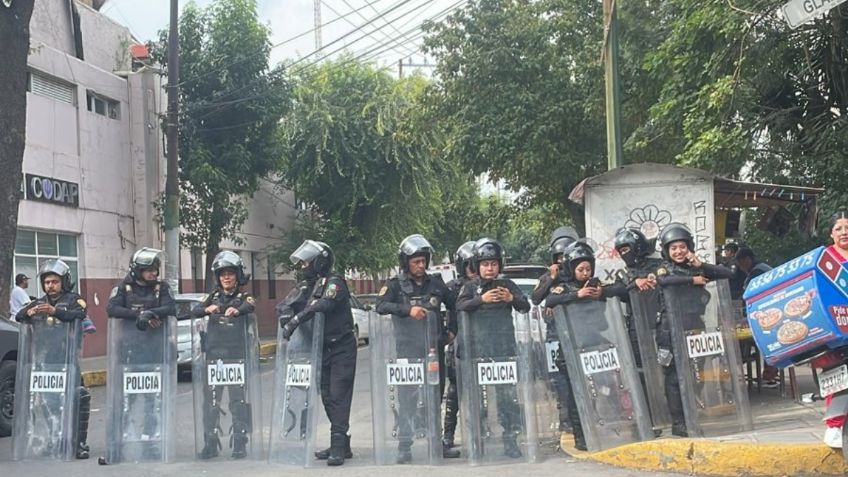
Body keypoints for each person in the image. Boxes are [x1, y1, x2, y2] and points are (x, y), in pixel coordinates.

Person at [375, 234, 461, 462]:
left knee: (434, 397)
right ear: (406, 262)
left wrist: (452, 331)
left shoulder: (436, 283)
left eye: (423, 261)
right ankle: (405, 447)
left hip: (433, 349)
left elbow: (456, 305)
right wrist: (406, 310)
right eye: (416, 262)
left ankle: (437, 445)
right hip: (407, 352)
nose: (421, 266)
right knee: (407, 400)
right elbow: (380, 306)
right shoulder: (395, 285)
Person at [277, 240, 357, 466]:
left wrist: (297, 318)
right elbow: (286, 303)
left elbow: (324, 305)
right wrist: (285, 314)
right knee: (327, 396)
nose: (304, 266)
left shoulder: (335, 281)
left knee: (339, 395)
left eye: (307, 262)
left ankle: (338, 446)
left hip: (341, 347)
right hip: (321, 348)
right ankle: (343, 442)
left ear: (320, 261)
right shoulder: (307, 285)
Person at [655, 223, 733, 437]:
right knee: (673, 376)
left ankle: (692, 414)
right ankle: (679, 423)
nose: (678, 251)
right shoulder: (663, 268)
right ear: (666, 250)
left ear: (689, 247)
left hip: (694, 326)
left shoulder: (696, 267)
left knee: (696, 373)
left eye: (682, 247)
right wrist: (692, 279)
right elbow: (664, 280)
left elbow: (728, 274)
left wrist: (703, 266)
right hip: (669, 329)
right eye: (673, 248)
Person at [456, 237, 532, 458]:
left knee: (507, 398)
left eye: (493, 264)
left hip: (503, 351)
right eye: (485, 264)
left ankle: (511, 440)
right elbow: (460, 306)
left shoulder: (507, 285)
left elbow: (525, 306)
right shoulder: (469, 287)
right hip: (477, 352)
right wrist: (481, 299)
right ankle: (477, 441)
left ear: (500, 265)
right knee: (477, 398)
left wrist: (511, 298)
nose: (489, 268)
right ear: (477, 266)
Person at [545, 241, 619, 450]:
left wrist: (601, 293)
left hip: (595, 346)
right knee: (576, 396)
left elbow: (620, 289)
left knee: (603, 388)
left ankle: (613, 427)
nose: (585, 273)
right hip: (572, 349)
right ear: (571, 269)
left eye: (588, 269)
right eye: (580, 269)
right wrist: (576, 295)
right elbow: (549, 300)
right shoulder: (564, 288)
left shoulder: (596, 286)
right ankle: (581, 437)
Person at [15, 259, 91, 459]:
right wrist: (29, 312)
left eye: (55, 282)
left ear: (64, 282)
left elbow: (79, 314)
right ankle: (55, 438)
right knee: (50, 404)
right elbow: (19, 316)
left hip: (68, 360)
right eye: (47, 282)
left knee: (78, 399)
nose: (50, 286)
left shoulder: (75, 299)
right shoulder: (39, 302)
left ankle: (79, 443)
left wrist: (55, 311)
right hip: (46, 362)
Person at [106, 247, 176, 458]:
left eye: (155, 269)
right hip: (129, 354)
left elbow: (171, 307)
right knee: (125, 399)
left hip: (155, 353)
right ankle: (118, 443)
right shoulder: (123, 288)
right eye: (149, 270)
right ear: (138, 270)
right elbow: (112, 309)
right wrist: (139, 314)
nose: (154, 273)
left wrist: (151, 312)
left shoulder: (161, 288)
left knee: (152, 400)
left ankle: (152, 442)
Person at [191, 251, 256, 459]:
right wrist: (207, 309)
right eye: (222, 274)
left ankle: (240, 442)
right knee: (210, 402)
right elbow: (194, 310)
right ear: (217, 278)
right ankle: (210, 443)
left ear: (237, 275)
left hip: (237, 356)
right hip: (213, 356)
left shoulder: (243, 297)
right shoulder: (212, 297)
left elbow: (250, 305)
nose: (226, 277)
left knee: (238, 401)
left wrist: (237, 311)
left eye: (230, 273)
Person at [530, 227, 578, 434]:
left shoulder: (579, 275)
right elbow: (535, 298)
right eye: (558, 258)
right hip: (554, 335)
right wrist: (550, 277)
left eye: (565, 257)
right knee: (558, 381)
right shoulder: (548, 277)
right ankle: (565, 417)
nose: (562, 262)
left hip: (578, 332)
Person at [441, 241, 476, 448]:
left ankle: (481, 431)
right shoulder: (452, 288)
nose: (474, 269)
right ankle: (448, 434)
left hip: (484, 341)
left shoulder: (491, 284)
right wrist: (447, 334)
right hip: (459, 343)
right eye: (470, 264)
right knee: (454, 391)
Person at [734, 247, 779, 387]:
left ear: (747, 260)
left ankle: (769, 375)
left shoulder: (758, 272)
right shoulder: (761, 268)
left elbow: (751, 296)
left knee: (761, 340)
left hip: (770, 316)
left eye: (741, 264)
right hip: (770, 314)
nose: (740, 268)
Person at [822, 209, 848, 448]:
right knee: (837, 376)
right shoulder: (824, 259)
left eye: (847, 228)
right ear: (831, 233)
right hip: (833, 328)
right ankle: (834, 426)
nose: (844, 232)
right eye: (839, 228)